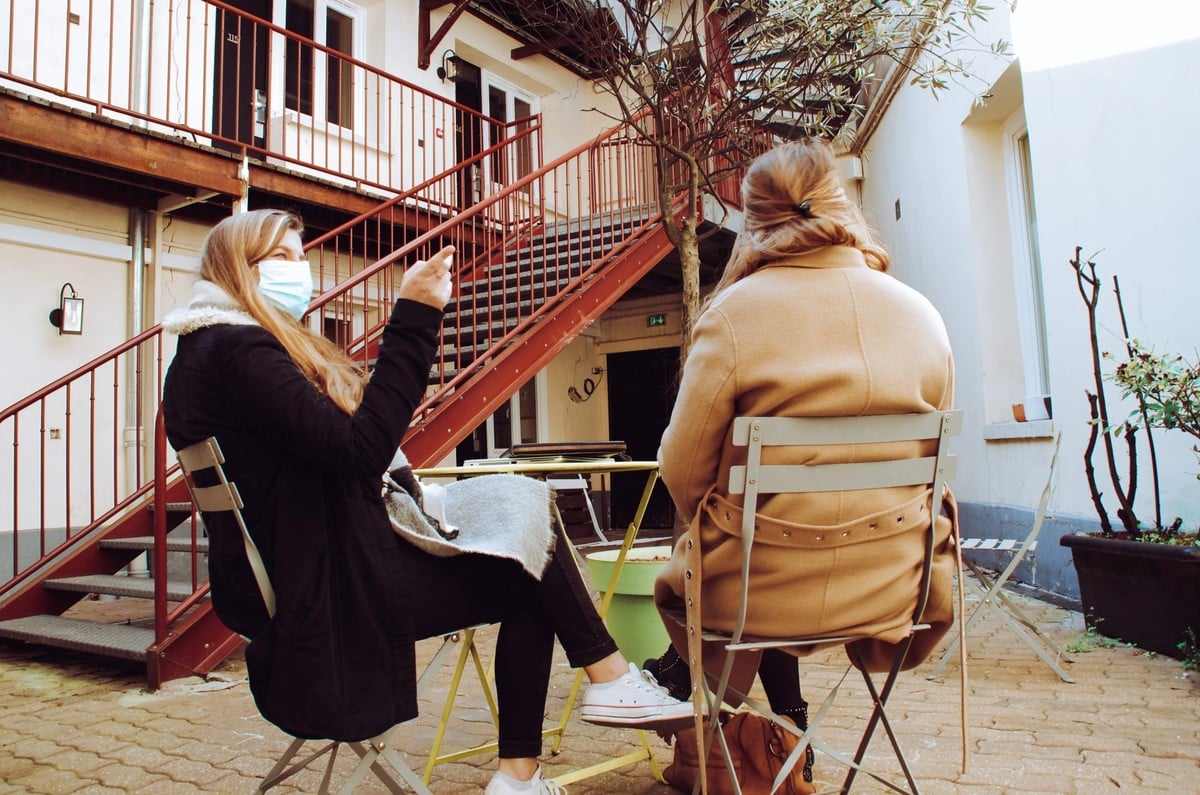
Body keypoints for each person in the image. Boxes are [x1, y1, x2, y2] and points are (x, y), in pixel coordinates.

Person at [161, 209, 691, 795]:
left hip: (310, 573)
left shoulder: (201, 358)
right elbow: (364, 448)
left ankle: (566, 727)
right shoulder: (240, 353)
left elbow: (333, 458)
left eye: (301, 255)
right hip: (333, 591)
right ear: (237, 270)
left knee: (521, 520)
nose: (300, 271)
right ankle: (555, 737)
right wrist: (413, 320)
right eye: (280, 258)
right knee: (529, 572)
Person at [650, 139, 959, 771]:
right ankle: (776, 726)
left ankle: (702, 713)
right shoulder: (923, 316)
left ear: (754, 219)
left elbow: (681, 472)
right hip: (892, 589)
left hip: (756, 592)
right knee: (756, 539)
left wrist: (747, 520)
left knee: (727, 560)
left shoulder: (734, 316)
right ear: (841, 206)